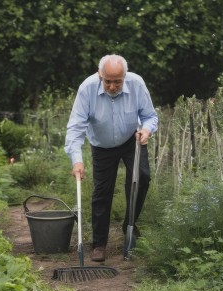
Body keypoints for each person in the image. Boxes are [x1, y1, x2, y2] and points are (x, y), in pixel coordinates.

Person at [64, 54, 158, 262]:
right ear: (100, 75)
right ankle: (99, 243)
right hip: (102, 145)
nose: (113, 86)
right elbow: (75, 127)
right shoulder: (87, 88)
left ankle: (129, 226)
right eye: (108, 81)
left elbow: (150, 116)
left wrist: (146, 130)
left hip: (132, 139)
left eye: (118, 81)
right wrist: (77, 160)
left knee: (141, 178)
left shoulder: (137, 84)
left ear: (125, 76)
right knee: (102, 191)